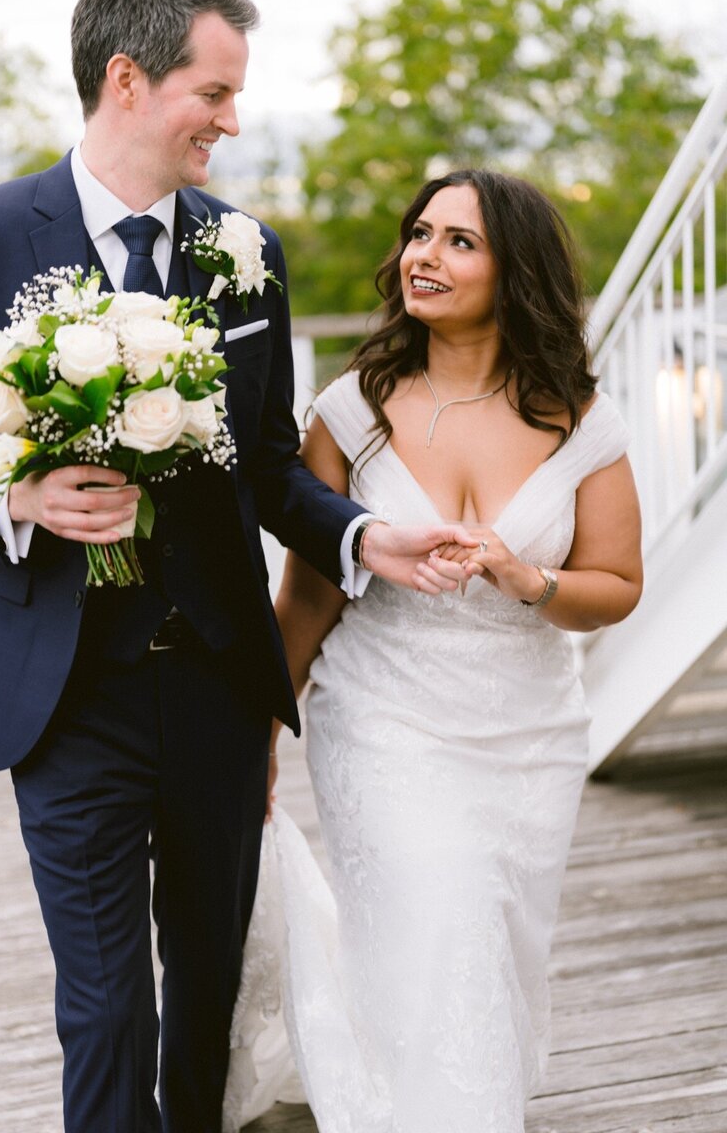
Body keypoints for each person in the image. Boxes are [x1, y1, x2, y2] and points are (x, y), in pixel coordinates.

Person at [0, 0, 472, 1133]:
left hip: (220, 685)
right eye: (213, 94)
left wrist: (367, 537)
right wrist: (14, 500)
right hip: (63, 693)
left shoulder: (247, 251)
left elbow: (269, 463)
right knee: (108, 1005)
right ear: (128, 79)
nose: (231, 120)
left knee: (209, 999)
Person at [226, 169, 643, 1132]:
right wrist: (259, 738)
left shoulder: (581, 419)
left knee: (485, 943)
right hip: (382, 718)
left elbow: (616, 587)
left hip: (527, 732)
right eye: (420, 234)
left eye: (461, 241)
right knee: (442, 913)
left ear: (517, 270)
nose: (425, 256)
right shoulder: (348, 412)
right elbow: (310, 593)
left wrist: (525, 578)